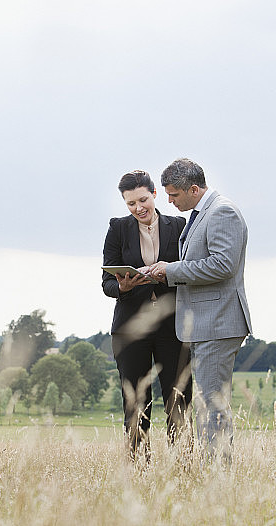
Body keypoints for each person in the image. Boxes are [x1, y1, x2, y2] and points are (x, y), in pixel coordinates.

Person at [147, 158, 251, 460]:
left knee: (212, 406)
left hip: (217, 323)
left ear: (194, 189)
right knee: (208, 403)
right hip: (208, 324)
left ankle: (217, 475)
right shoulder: (203, 213)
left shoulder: (222, 212)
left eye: (174, 195)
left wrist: (171, 270)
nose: (169, 201)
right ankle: (214, 471)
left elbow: (223, 265)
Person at [102, 170, 193, 459]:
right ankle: (139, 467)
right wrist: (123, 286)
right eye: (131, 203)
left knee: (179, 399)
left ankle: (183, 465)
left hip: (173, 325)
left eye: (143, 200)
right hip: (131, 327)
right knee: (135, 404)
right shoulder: (117, 229)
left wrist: (170, 273)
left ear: (154, 194)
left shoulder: (179, 226)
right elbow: (106, 284)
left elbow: (190, 271)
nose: (138, 208)